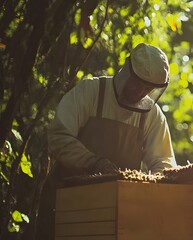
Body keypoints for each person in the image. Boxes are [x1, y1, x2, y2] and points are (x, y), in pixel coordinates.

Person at [37, 43, 177, 239]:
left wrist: (152, 191)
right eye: (137, 83)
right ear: (127, 72)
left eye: (148, 88)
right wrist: (92, 162)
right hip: (68, 201)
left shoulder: (152, 115)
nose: (141, 92)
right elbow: (58, 137)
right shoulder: (91, 91)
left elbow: (163, 161)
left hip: (117, 209)